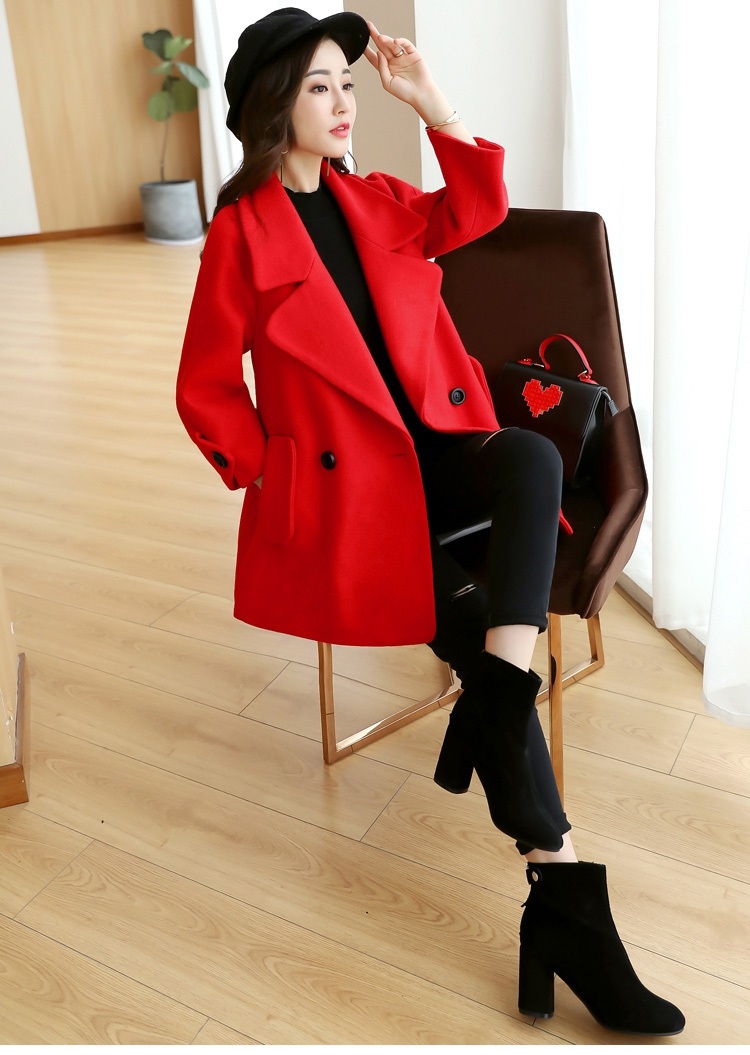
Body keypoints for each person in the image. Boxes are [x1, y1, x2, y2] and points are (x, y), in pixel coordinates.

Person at [176, 7, 684, 1037]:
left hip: (440, 457)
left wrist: (429, 102)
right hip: (354, 497)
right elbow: (205, 386)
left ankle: (494, 694)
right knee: (479, 635)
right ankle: (567, 901)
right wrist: (274, 476)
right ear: (274, 105)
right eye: (320, 86)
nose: (344, 104)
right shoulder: (240, 233)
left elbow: (479, 205)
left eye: (347, 83)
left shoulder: (372, 198)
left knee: (532, 456)